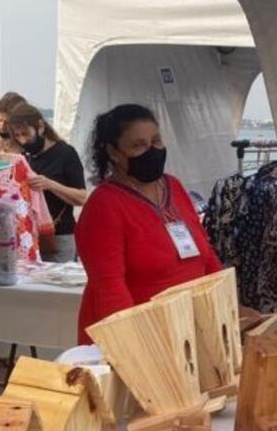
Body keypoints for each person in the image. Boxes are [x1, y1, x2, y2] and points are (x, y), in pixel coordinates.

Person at [74, 104, 222, 344]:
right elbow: (110, 288)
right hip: (142, 338)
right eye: (138, 145)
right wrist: (138, 344)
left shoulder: (173, 186)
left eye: (156, 141)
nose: (151, 150)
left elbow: (206, 255)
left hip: (190, 331)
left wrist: (225, 304)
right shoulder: (104, 205)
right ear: (114, 152)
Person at [7, 103, 88, 263]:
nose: (23, 140)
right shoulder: (25, 156)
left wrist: (50, 184)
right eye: (17, 135)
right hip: (30, 237)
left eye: (25, 133)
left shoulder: (65, 153)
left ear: (41, 127)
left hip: (59, 238)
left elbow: (82, 197)